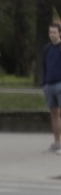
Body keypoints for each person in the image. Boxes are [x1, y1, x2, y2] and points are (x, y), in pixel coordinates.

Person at [41, 23, 61, 154]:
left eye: (54, 32)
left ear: (59, 33)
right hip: (49, 84)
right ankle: (57, 142)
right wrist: (44, 83)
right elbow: (44, 66)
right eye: (50, 32)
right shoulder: (47, 48)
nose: (52, 35)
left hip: (60, 83)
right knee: (54, 114)